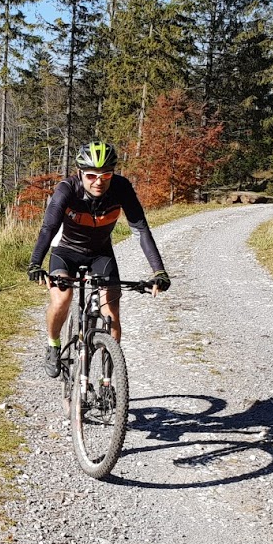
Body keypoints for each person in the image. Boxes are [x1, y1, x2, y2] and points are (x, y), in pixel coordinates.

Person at [27, 141, 170, 378]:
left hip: (101, 254)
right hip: (66, 252)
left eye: (106, 174)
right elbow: (48, 228)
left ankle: (109, 377)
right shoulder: (67, 189)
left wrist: (158, 271)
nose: (99, 181)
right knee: (62, 299)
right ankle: (53, 344)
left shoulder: (121, 188)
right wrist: (35, 263)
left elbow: (141, 229)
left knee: (111, 311)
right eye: (91, 175)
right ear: (81, 173)